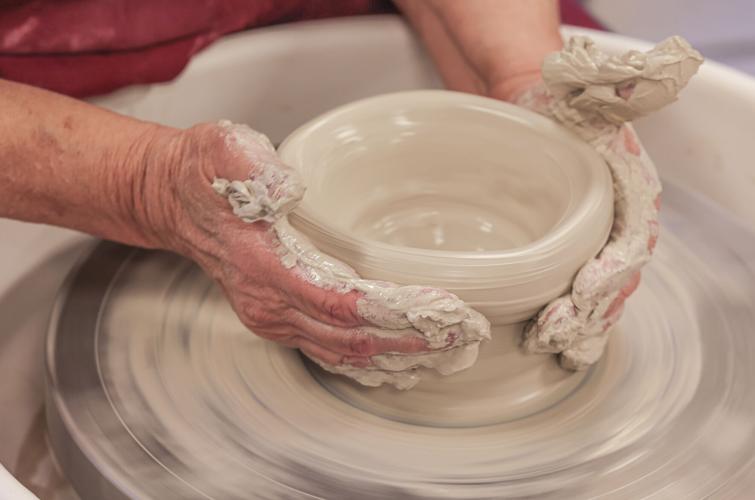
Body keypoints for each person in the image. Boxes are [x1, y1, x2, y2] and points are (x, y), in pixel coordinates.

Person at [1, 1, 632, 370]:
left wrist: (521, 72)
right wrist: (145, 185)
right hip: (46, 81)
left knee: (578, 107)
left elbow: (529, 78)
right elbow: (147, 179)